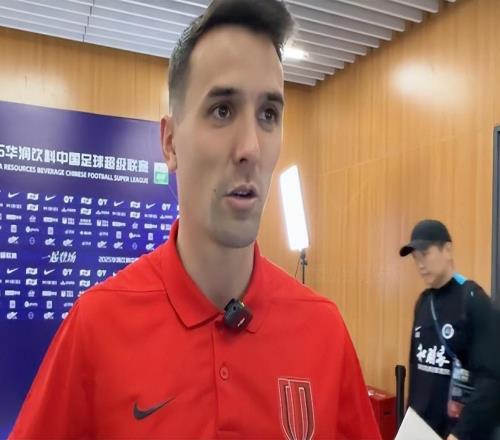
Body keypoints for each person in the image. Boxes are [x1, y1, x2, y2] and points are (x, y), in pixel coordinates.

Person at [10, 1, 380, 438]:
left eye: (268, 114)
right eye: (222, 110)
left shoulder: (324, 333)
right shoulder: (97, 327)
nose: (251, 148)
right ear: (170, 143)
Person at [400, 219, 499, 439]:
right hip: (422, 431)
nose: (420, 264)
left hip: (459, 433)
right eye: (415, 258)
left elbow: (491, 379)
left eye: (425, 254)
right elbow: (417, 373)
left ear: (447, 250)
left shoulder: (474, 300)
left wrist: (460, 434)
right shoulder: (423, 303)